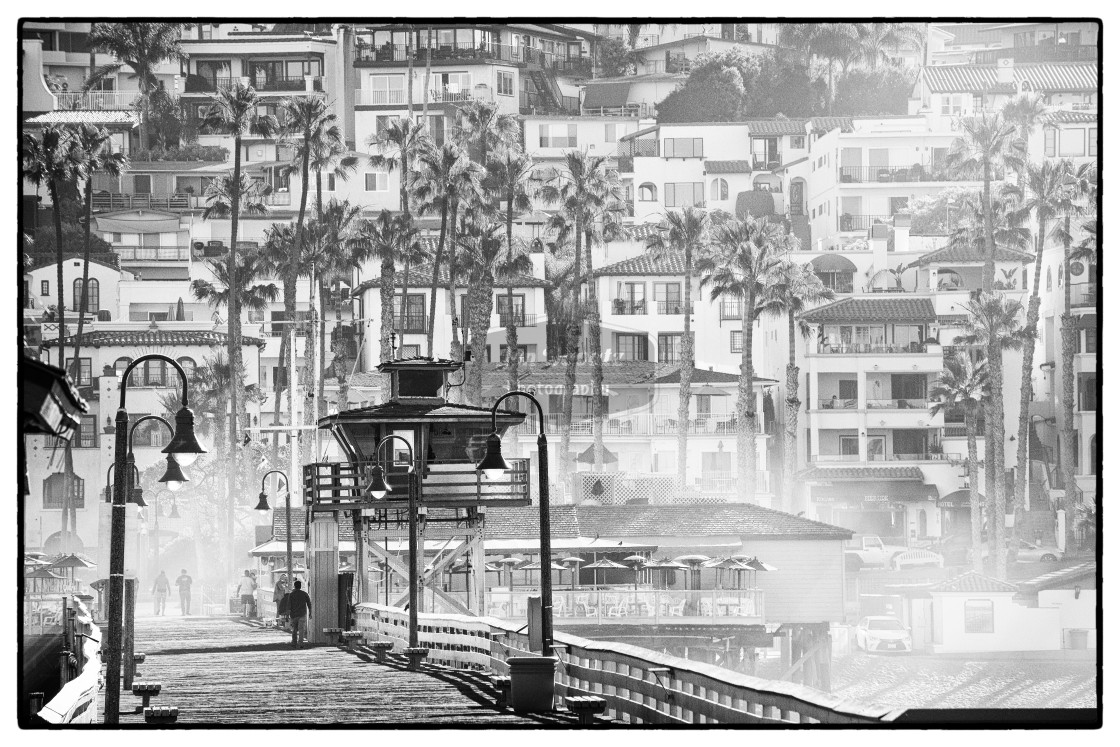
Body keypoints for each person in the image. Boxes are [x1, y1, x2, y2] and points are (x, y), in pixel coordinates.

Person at [287, 579, 312, 648]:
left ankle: (294, 643)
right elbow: (309, 603)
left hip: (293, 614)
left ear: (294, 586)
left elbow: (289, 605)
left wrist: (287, 615)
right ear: (300, 586)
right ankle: (301, 643)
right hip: (302, 614)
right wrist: (310, 612)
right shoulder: (304, 594)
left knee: (294, 629)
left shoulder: (291, 594)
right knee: (301, 629)